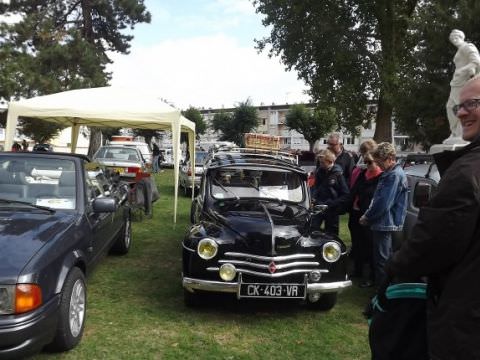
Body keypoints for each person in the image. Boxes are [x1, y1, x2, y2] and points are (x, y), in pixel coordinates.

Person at [385, 75, 480, 359]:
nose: (461, 112)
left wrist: (391, 271)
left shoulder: (469, 172)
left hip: (467, 321)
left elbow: (430, 243)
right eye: (458, 107)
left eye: (471, 104)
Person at [359, 142, 408, 287]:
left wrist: (367, 217)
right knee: (384, 258)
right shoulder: (392, 173)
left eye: (380, 161)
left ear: (390, 158)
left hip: (385, 223)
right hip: (386, 222)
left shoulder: (393, 176)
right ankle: (384, 291)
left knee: (382, 260)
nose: (378, 164)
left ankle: (382, 294)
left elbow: (383, 203)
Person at [347, 139, 378, 279]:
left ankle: (370, 274)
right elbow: (353, 191)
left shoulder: (380, 175)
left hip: (367, 213)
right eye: (365, 158)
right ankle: (358, 270)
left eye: (369, 159)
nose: (366, 161)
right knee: (357, 242)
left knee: (369, 244)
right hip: (356, 211)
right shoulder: (361, 172)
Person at [445, 29, 480, 143]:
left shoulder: (467, 47)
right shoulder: (460, 50)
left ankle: (461, 133)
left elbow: (476, 61)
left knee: (459, 106)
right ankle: (455, 132)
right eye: (452, 39)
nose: (454, 40)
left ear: (462, 37)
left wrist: (463, 70)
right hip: (456, 82)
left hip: (464, 82)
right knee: (450, 107)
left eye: (456, 37)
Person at [311, 149, 349, 235]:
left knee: (331, 233)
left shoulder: (338, 174)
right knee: (313, 228)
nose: (320, 164)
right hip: (319, 205)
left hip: (332, 207)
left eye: (323, 162)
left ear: (330, 161)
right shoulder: (320, 171)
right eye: (320, 162)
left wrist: (332, 203)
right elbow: (316, 186)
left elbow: (345, 194)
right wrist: (313, 197)